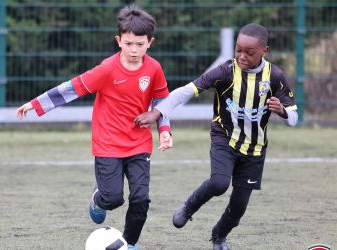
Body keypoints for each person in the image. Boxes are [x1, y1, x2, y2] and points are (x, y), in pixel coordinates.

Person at [16, 5, 173, 250]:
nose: (134, 50)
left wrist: (164, 131)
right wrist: (36, 105)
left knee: (141, 198)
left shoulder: (154, 68)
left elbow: (162, 102)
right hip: (108, 142)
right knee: (112, 199)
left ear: (150, 43)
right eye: (129, 43)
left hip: (139, 143)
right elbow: (72, 88)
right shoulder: (107, 69)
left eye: (140, 44)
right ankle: (98, 199)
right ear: (119, 41)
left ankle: (130, 244)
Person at [134, 23, 298, 250]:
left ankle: (219, 236)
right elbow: (187, 90)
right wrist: (157, 112)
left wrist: (282, 111)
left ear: (264, 51)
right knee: (220, 183)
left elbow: (294, 117)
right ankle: (189, 206)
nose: (242, 56)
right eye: (238, 50)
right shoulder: (226, 71)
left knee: (239, 207)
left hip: (255, 148)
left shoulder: (275, 76)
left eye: (249, 53)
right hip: (224, 138)